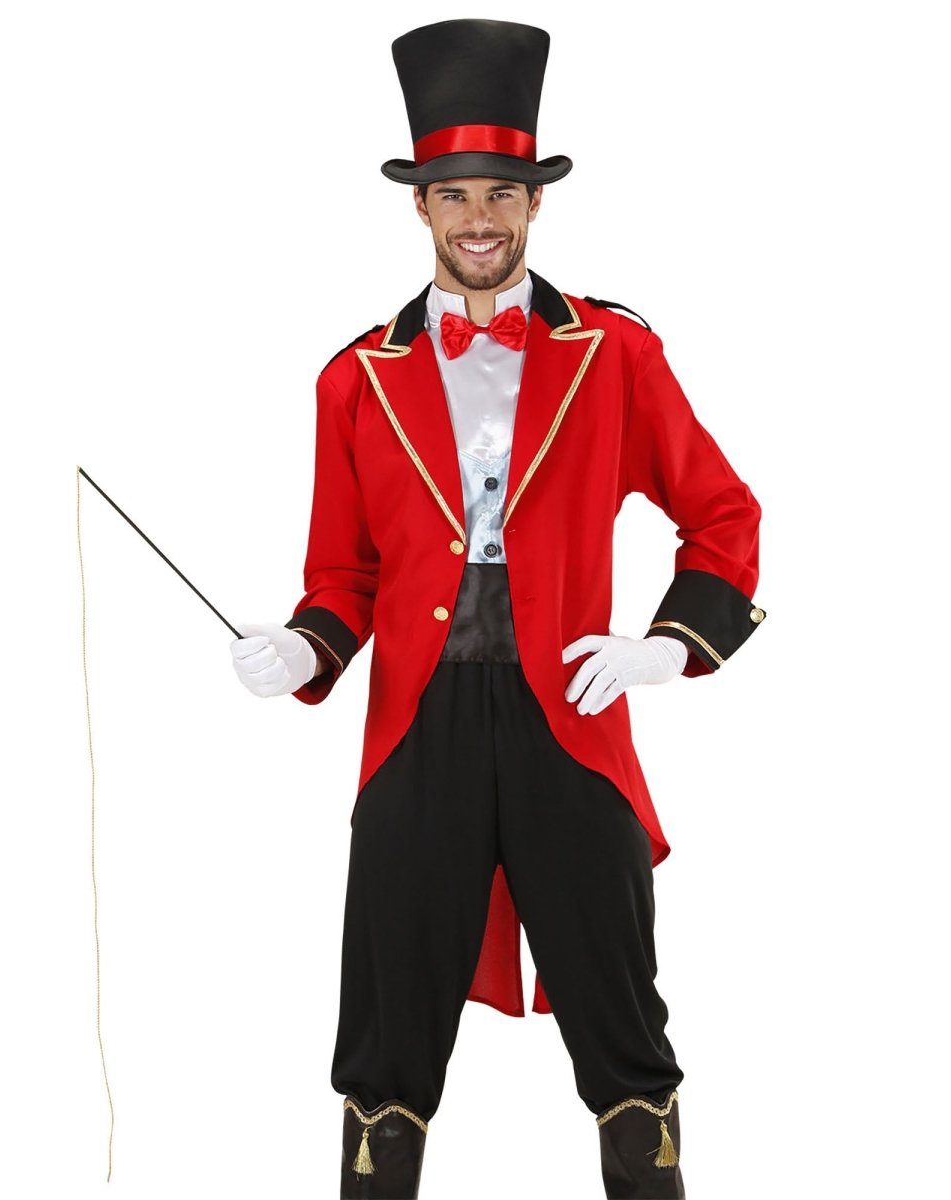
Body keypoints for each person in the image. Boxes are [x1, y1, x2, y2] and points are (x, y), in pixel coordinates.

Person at [228, 18, 764, 1199]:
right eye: (456, 195)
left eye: (502, 194)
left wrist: (667, 647)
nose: (480, 218)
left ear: (535, 202)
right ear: (421, 206)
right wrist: (303, 648)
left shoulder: (614, 354)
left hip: (571, 711)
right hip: (416, 727)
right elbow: (344, 576)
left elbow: (723, 513)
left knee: (621, 1010)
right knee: (387, 1021)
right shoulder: (355, 378)